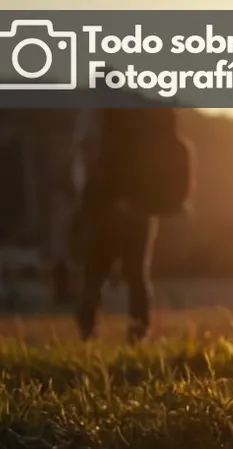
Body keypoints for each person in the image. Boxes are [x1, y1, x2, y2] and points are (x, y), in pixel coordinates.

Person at [71, 105, 193, 342]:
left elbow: (93, 163)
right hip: (140, 211)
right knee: (136, 273)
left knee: (95, 273)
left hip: (106, 208)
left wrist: (90, 205)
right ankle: (138, 332)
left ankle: (88, 330)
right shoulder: (149, 126)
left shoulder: (110, 120)